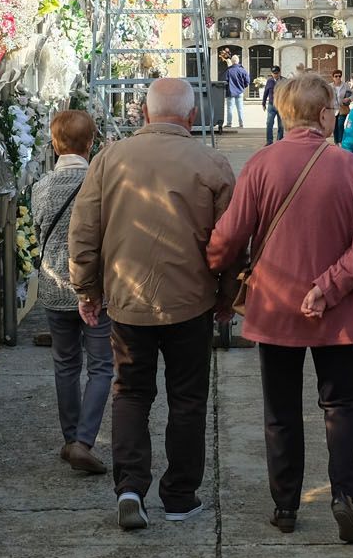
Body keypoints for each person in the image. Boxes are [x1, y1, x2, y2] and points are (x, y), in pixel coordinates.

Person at [208, 72, 353, 543]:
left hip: (276, 303)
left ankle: (285, 503)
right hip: (336, 310)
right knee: (342, 403)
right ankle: (343, 494)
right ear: (326, 116)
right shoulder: (348, 166)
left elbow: (229, 237)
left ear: (283, 114)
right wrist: (329, 286)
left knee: (281, 408)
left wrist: (213, 272)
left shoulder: (262, 165)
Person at [69, 78, 236, 531]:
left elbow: (84, 232)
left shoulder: (109, 160)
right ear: (193, 116)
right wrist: (226, 296)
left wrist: (87, 289)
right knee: (187, 399)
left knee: (131, 393)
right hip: (191, 302)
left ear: (144, 114)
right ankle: (180, 496)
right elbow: (231, 243)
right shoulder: (212, 164)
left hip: (127, 301)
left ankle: (130, 488)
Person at [32, 109, 111, 476]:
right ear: (92, 142)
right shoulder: (101, 183)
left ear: (54, 143)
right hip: (94, 288)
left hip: (52, 288)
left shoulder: (41, 187)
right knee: (101, 366)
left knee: (65, 365)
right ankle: (84, 440)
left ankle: (69, 439)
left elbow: (37, 231)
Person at [223, 54, 251, 131]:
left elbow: (225, 81)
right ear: (238, 61)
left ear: (232, 62)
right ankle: (241, 123)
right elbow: (247, 81)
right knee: (240, 108)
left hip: (230, 92)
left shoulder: (228, 70)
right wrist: (242, 87)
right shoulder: (242, 70)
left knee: (229, 108)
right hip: (239, 92)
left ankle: (229, 123)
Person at [262, 67, 285, 145]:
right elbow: (266, 92)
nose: (275, 75)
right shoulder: (270, 81)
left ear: (279, 73)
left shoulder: (284, 81)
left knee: (281, 125)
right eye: (273, 73)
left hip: (281, 106)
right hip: (271, 105)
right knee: (269, 123)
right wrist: (263, 103)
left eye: (276, 73)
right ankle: (269, 141)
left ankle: (280, 140)